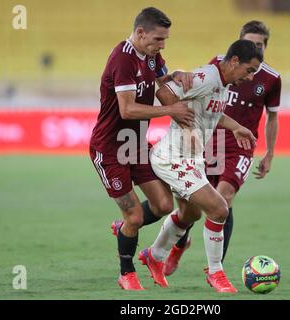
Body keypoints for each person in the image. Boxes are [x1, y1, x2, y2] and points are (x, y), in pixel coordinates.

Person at [138, 39, 262, 293]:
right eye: (249, 70)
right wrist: (176, 114)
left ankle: (154, 255)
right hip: (173, 158)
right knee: (219, 209)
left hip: (190, 158)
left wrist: (236, 126)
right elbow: (165, 91)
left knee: (191, 214)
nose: (250, 78)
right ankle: (216, 273)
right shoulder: (207, 77)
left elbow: (212, 114)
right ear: (235, 61)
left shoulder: (223, 86)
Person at [164, 21, 282, 277]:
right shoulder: (220, 65)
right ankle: (179, 244)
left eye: (259, 45)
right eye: (249, 43)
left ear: (265, 48)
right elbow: (198, 89)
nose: (254, 47)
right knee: (189, 202)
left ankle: (214, 267)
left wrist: (269, 154)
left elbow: (272, 117)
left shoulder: (272, 79)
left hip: (239, 147)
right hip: (209, 141)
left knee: (223, 200)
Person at [89, 7, 195, 291]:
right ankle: (126, 273)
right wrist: (170, 109)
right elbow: (126, 109)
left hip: (135, 144)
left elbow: (162, 86)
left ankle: (124, 228)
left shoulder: (151, 55)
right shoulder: (122, 59)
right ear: (140, 33)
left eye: (165, 40)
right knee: (135, 216)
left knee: (163, 205)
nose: (162, 45)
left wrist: (179, 85)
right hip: (110, 148)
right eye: (158, 39)